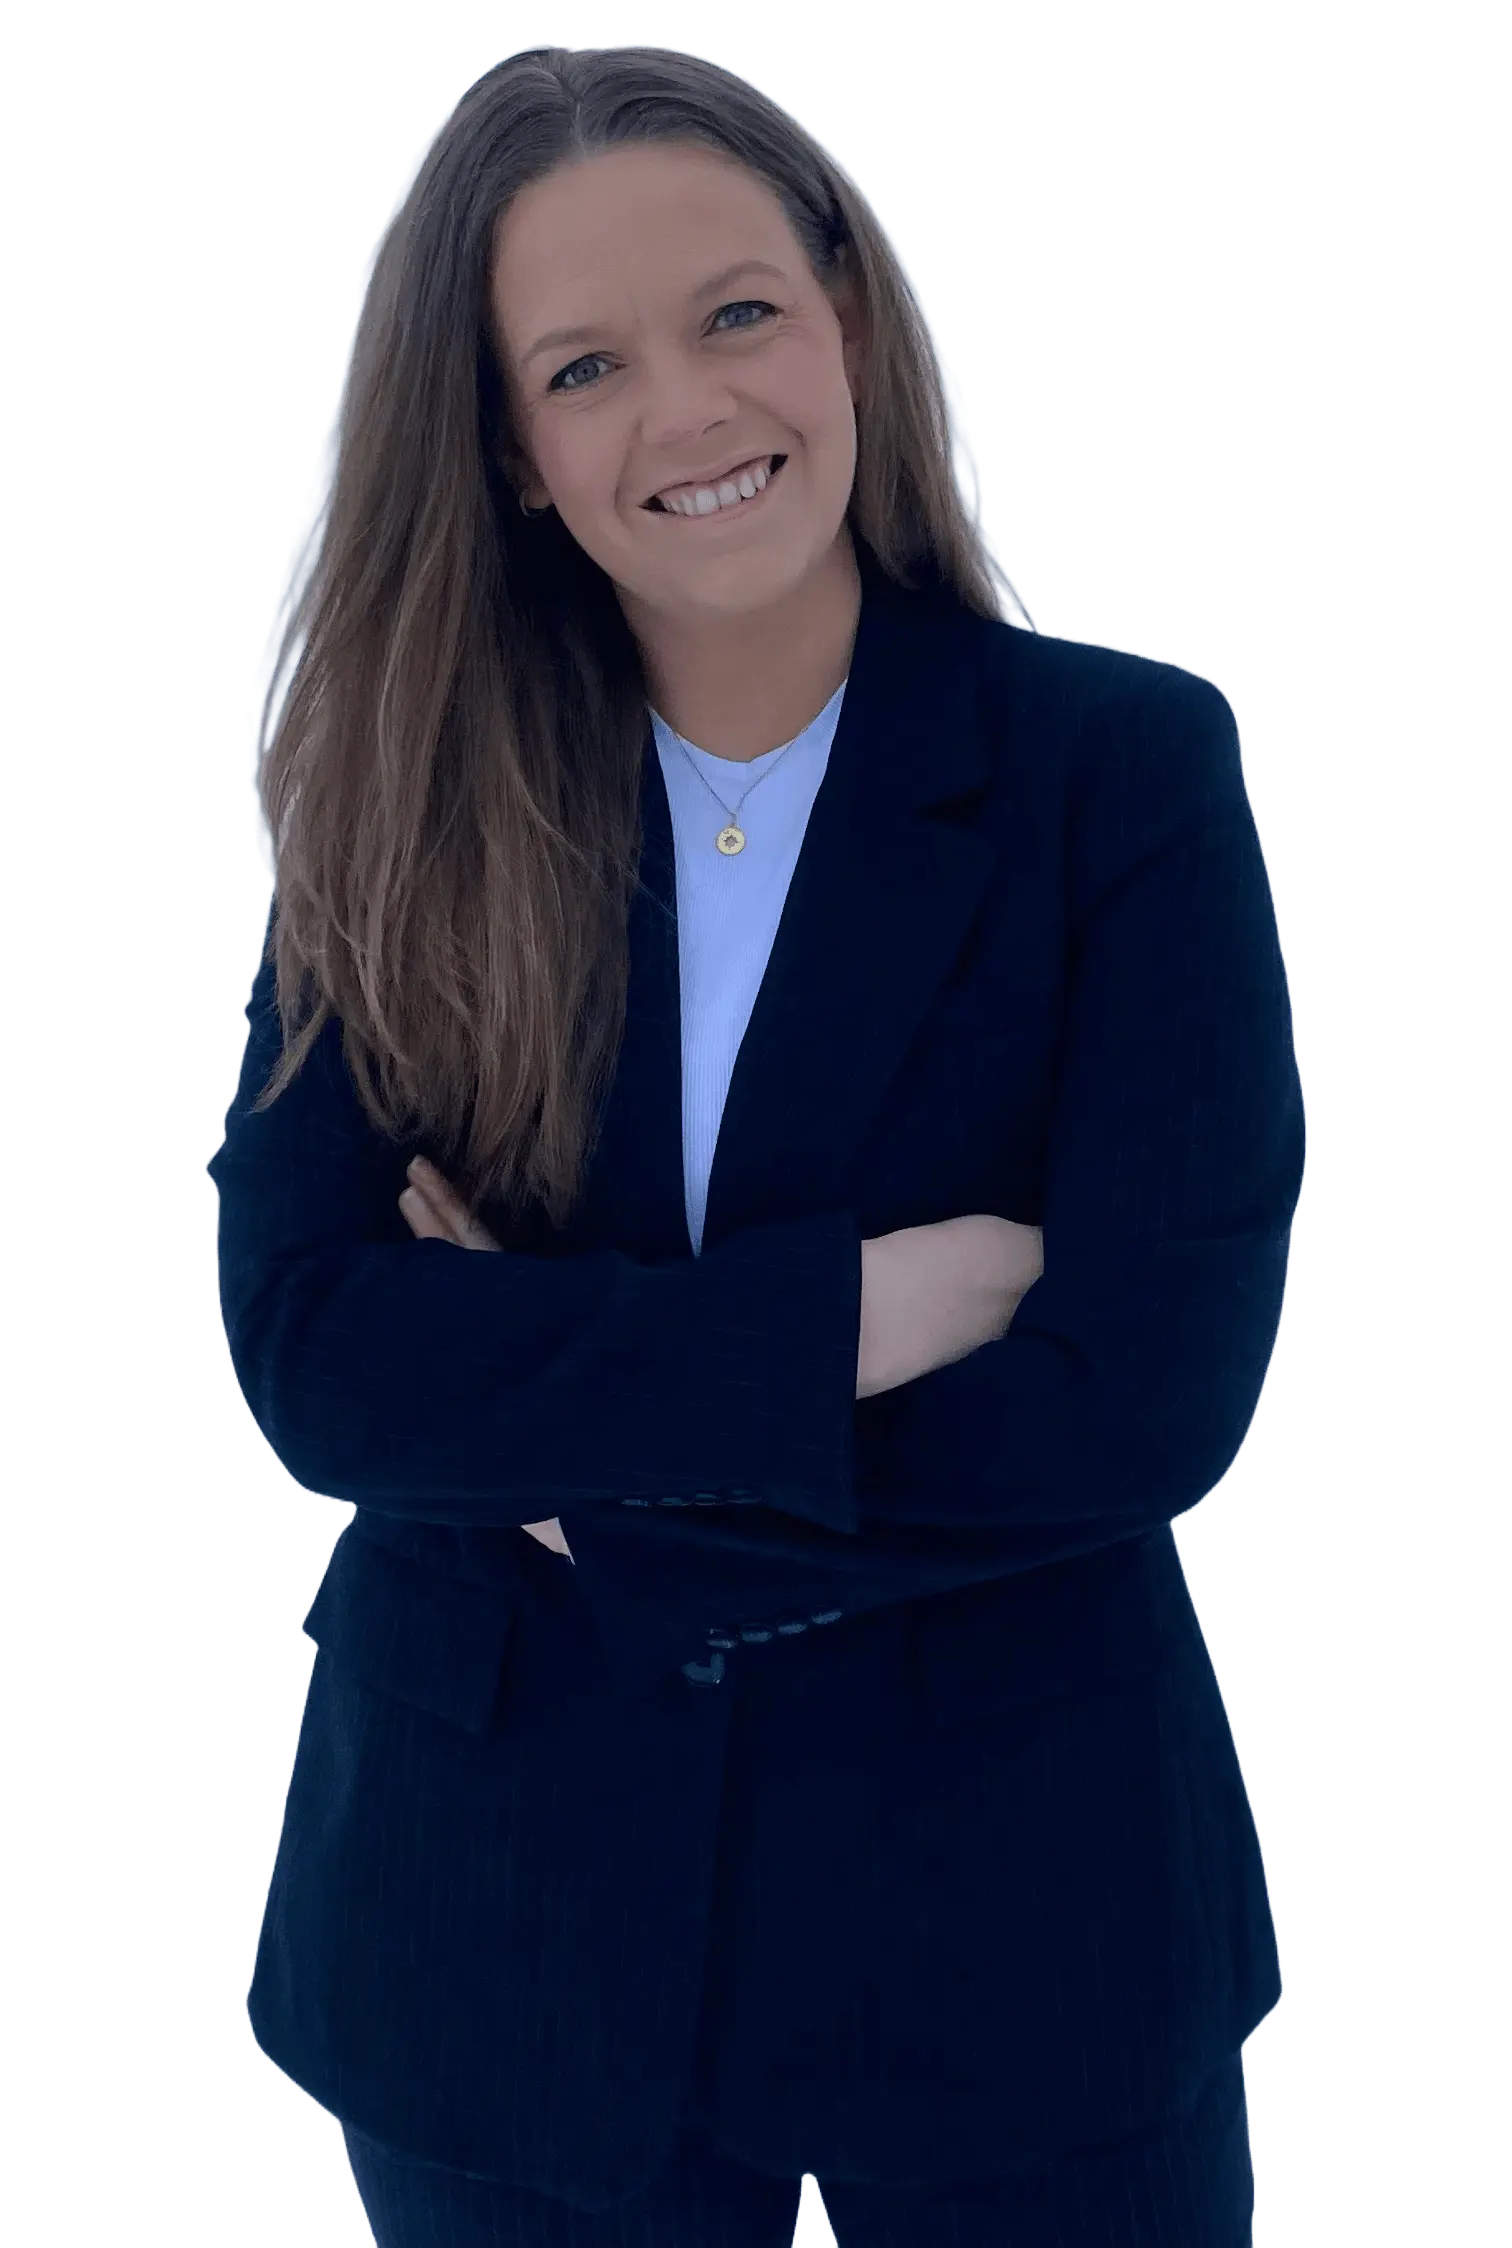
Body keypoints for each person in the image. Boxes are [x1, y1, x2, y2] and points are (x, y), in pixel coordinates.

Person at [209, 39, 1301, 2248]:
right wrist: (851, 1316)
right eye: (586, 365)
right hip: (504, 1915)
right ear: (511, 451)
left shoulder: (1125, 769)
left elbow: (1142, 1401)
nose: (690, 415)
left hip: (1018, 1902)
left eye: (734, 315)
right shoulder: (403, 817)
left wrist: (558, 1449)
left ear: (850, 323)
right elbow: (324, 1354)